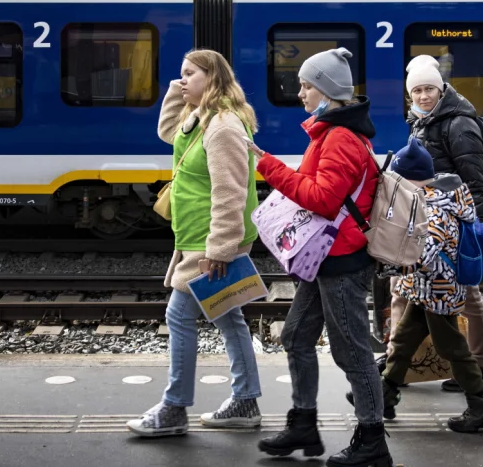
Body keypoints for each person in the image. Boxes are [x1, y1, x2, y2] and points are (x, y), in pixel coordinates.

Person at [251, 48, 391, 467]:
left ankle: (372, 441)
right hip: (324, 255)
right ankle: (303, 424)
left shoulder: (341, 138)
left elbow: (323, 200)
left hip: (343, 260)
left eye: (306, 85)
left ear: (327, 91)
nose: (300, 93)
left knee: (352, 351)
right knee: (295, 336)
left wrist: (268, 166)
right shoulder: (331, 133)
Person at [127, 49, 263, 436]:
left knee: (178, 315)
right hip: (197, 236)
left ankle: (174, 408)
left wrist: (219, 249)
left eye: (190, 74)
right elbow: (169, 132)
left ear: (213, 78)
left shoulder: (222, 127)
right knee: (227, 314)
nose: (182, 79)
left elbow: (230, 191)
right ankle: (245, 401)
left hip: (211, 241)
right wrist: (179, 88)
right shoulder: (202, 119)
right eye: (180, 73)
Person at [375, 138, 483, 433]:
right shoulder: (430, 199)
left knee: (453, 347)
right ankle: (386, 393)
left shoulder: (436, 208)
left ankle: (481, 404)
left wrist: (391, 264)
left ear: (409, 179)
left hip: (440, 291)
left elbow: (426, 255)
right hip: (425, 290)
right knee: (405, 339)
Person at [397, 54, 483, 392]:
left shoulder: (458, 124)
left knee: (469, 294)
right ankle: (408, 365)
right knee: (413, 295)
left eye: (429, 90)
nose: (423, 96)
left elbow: (477, 184)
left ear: (440, 91)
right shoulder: (422, 121)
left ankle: (481, 367)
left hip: (454, 226)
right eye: (417, 91)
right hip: (430, 223)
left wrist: (480, 238)